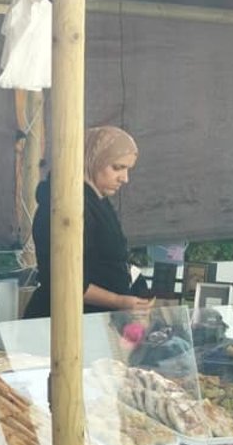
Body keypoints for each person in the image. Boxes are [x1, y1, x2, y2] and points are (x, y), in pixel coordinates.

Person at [22, 125, 154, 320]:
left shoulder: (96, 202)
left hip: (91, 320)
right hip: (63, 321)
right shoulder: (65, 206)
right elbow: (62, 278)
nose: (124, 179)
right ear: (92, 160)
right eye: (117, 167)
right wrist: (118, 301)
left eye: (127, 169)